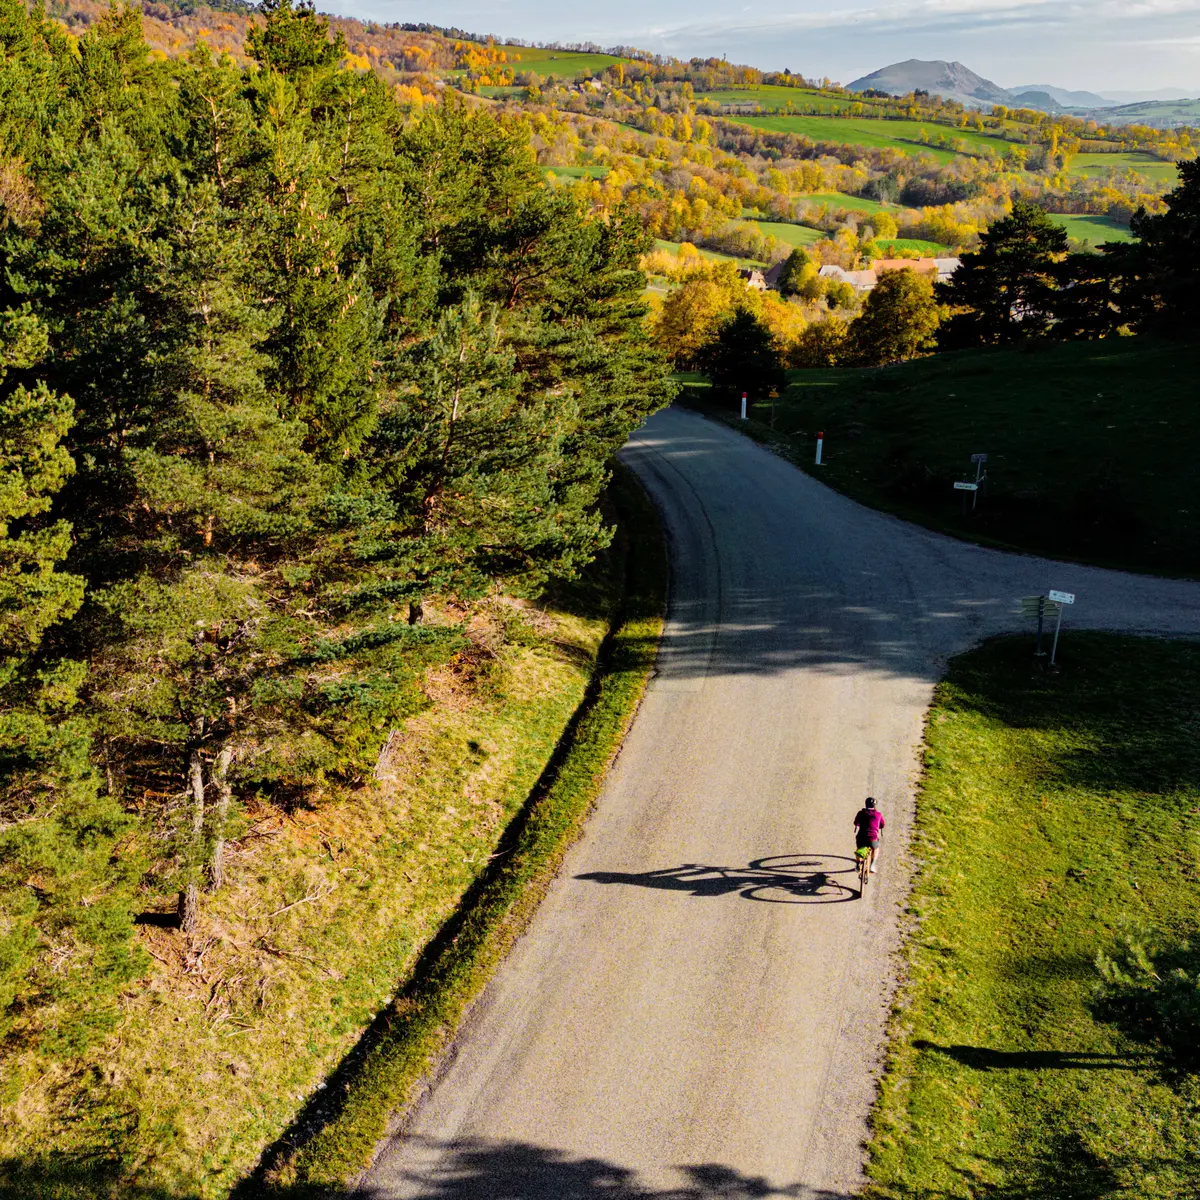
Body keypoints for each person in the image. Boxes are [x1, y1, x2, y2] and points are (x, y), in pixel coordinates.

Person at [853, 797, 885, 874]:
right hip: (872, 838)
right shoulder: (878, 814)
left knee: (859, 848)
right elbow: (882, 825)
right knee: (876, 848)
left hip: (861, 837)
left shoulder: (860, 813)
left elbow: (855, 823)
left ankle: (858, 864)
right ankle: (872, 865)